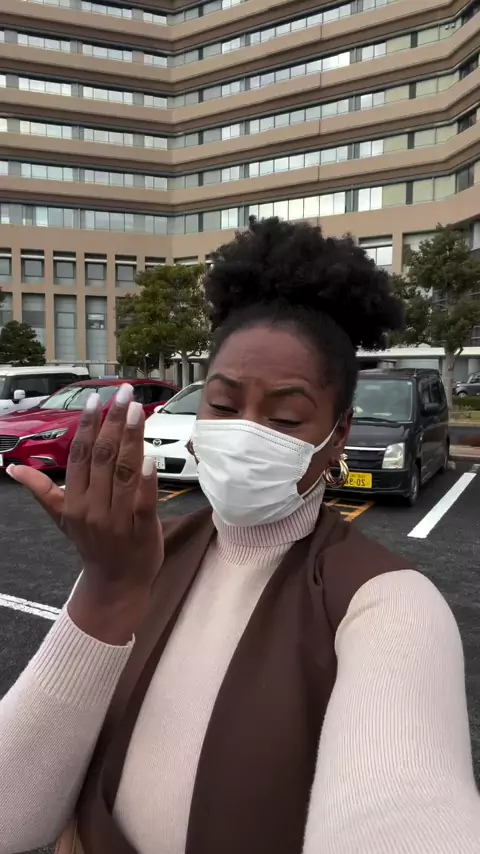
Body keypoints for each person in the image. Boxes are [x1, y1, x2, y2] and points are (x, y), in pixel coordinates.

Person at [0, 217, 479, 854]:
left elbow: (405, 807)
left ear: (337, 434)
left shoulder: (388, 604)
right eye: (223, 406)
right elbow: (11, 818)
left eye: (286, 416)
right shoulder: (143, 557)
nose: (246, 431)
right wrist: (106, 591)